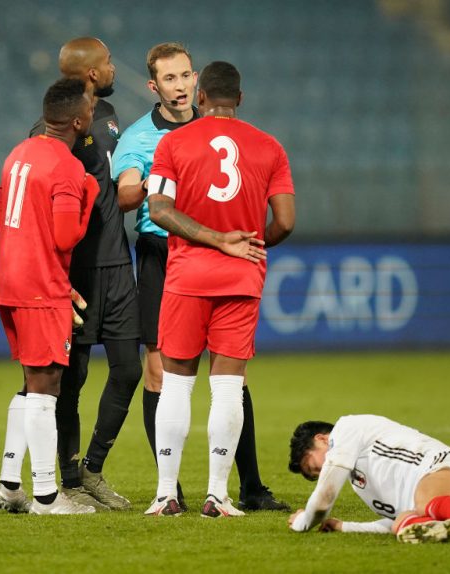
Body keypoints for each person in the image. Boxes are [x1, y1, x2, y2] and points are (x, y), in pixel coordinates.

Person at [112, 43, 288, 511]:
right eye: (171, 78)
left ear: (200, 87)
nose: (181, 85)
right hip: (184, 260)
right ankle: (212, 492)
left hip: (186, 261)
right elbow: (131, 194)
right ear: (155, 86)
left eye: (186, 76)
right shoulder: (146, 138)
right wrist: (245, 242)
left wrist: (210, 238)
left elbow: (161, 207)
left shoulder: (177, 143)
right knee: (220, 382)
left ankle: (181, 491)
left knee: (178, 380)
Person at [32, 37, 142, 511]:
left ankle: (94, 469)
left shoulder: (110, 116)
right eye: (109, 62)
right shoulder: (53, 131)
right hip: (76, 274)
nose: (115, 67)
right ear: (93, 74)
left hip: (118, 264)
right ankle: (70, 478)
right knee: (70, 382)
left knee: (128, 370)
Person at [0, 78, 99, 515]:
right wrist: (89, 194)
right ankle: (48, 498)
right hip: (38, 287)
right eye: (90, 108)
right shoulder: (67, 168)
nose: (93, 113)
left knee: (31, 382)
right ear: (78, 120)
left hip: (9, 278)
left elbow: (10, 218)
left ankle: (10, 485)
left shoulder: (19, 152)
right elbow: (65, 234)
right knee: (46, 385)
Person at [286, 415, 450, 543]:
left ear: (322, 439)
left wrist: (302, 521)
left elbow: (322, 502)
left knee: (422, 501)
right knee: (402, 521)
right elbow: (391, 522)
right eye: (314, 475)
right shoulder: (361, 482)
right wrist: (343, 526)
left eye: (313, 466)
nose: (320, 474)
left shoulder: (346, 428)